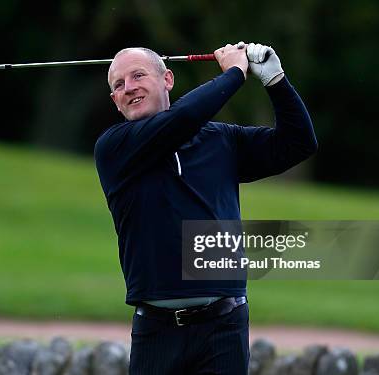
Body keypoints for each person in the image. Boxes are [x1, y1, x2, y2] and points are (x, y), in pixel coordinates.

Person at [94, 42, 317, 375]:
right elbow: (183, 117)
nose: (129, 88)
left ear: (167, 79)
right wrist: (235, 73)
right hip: (156, 330)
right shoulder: (115, 149)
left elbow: (298, 143)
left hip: (223, 327)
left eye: (138, 75)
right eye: (118, 85)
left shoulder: (221, 140)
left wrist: (275, 81)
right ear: (115, 101)